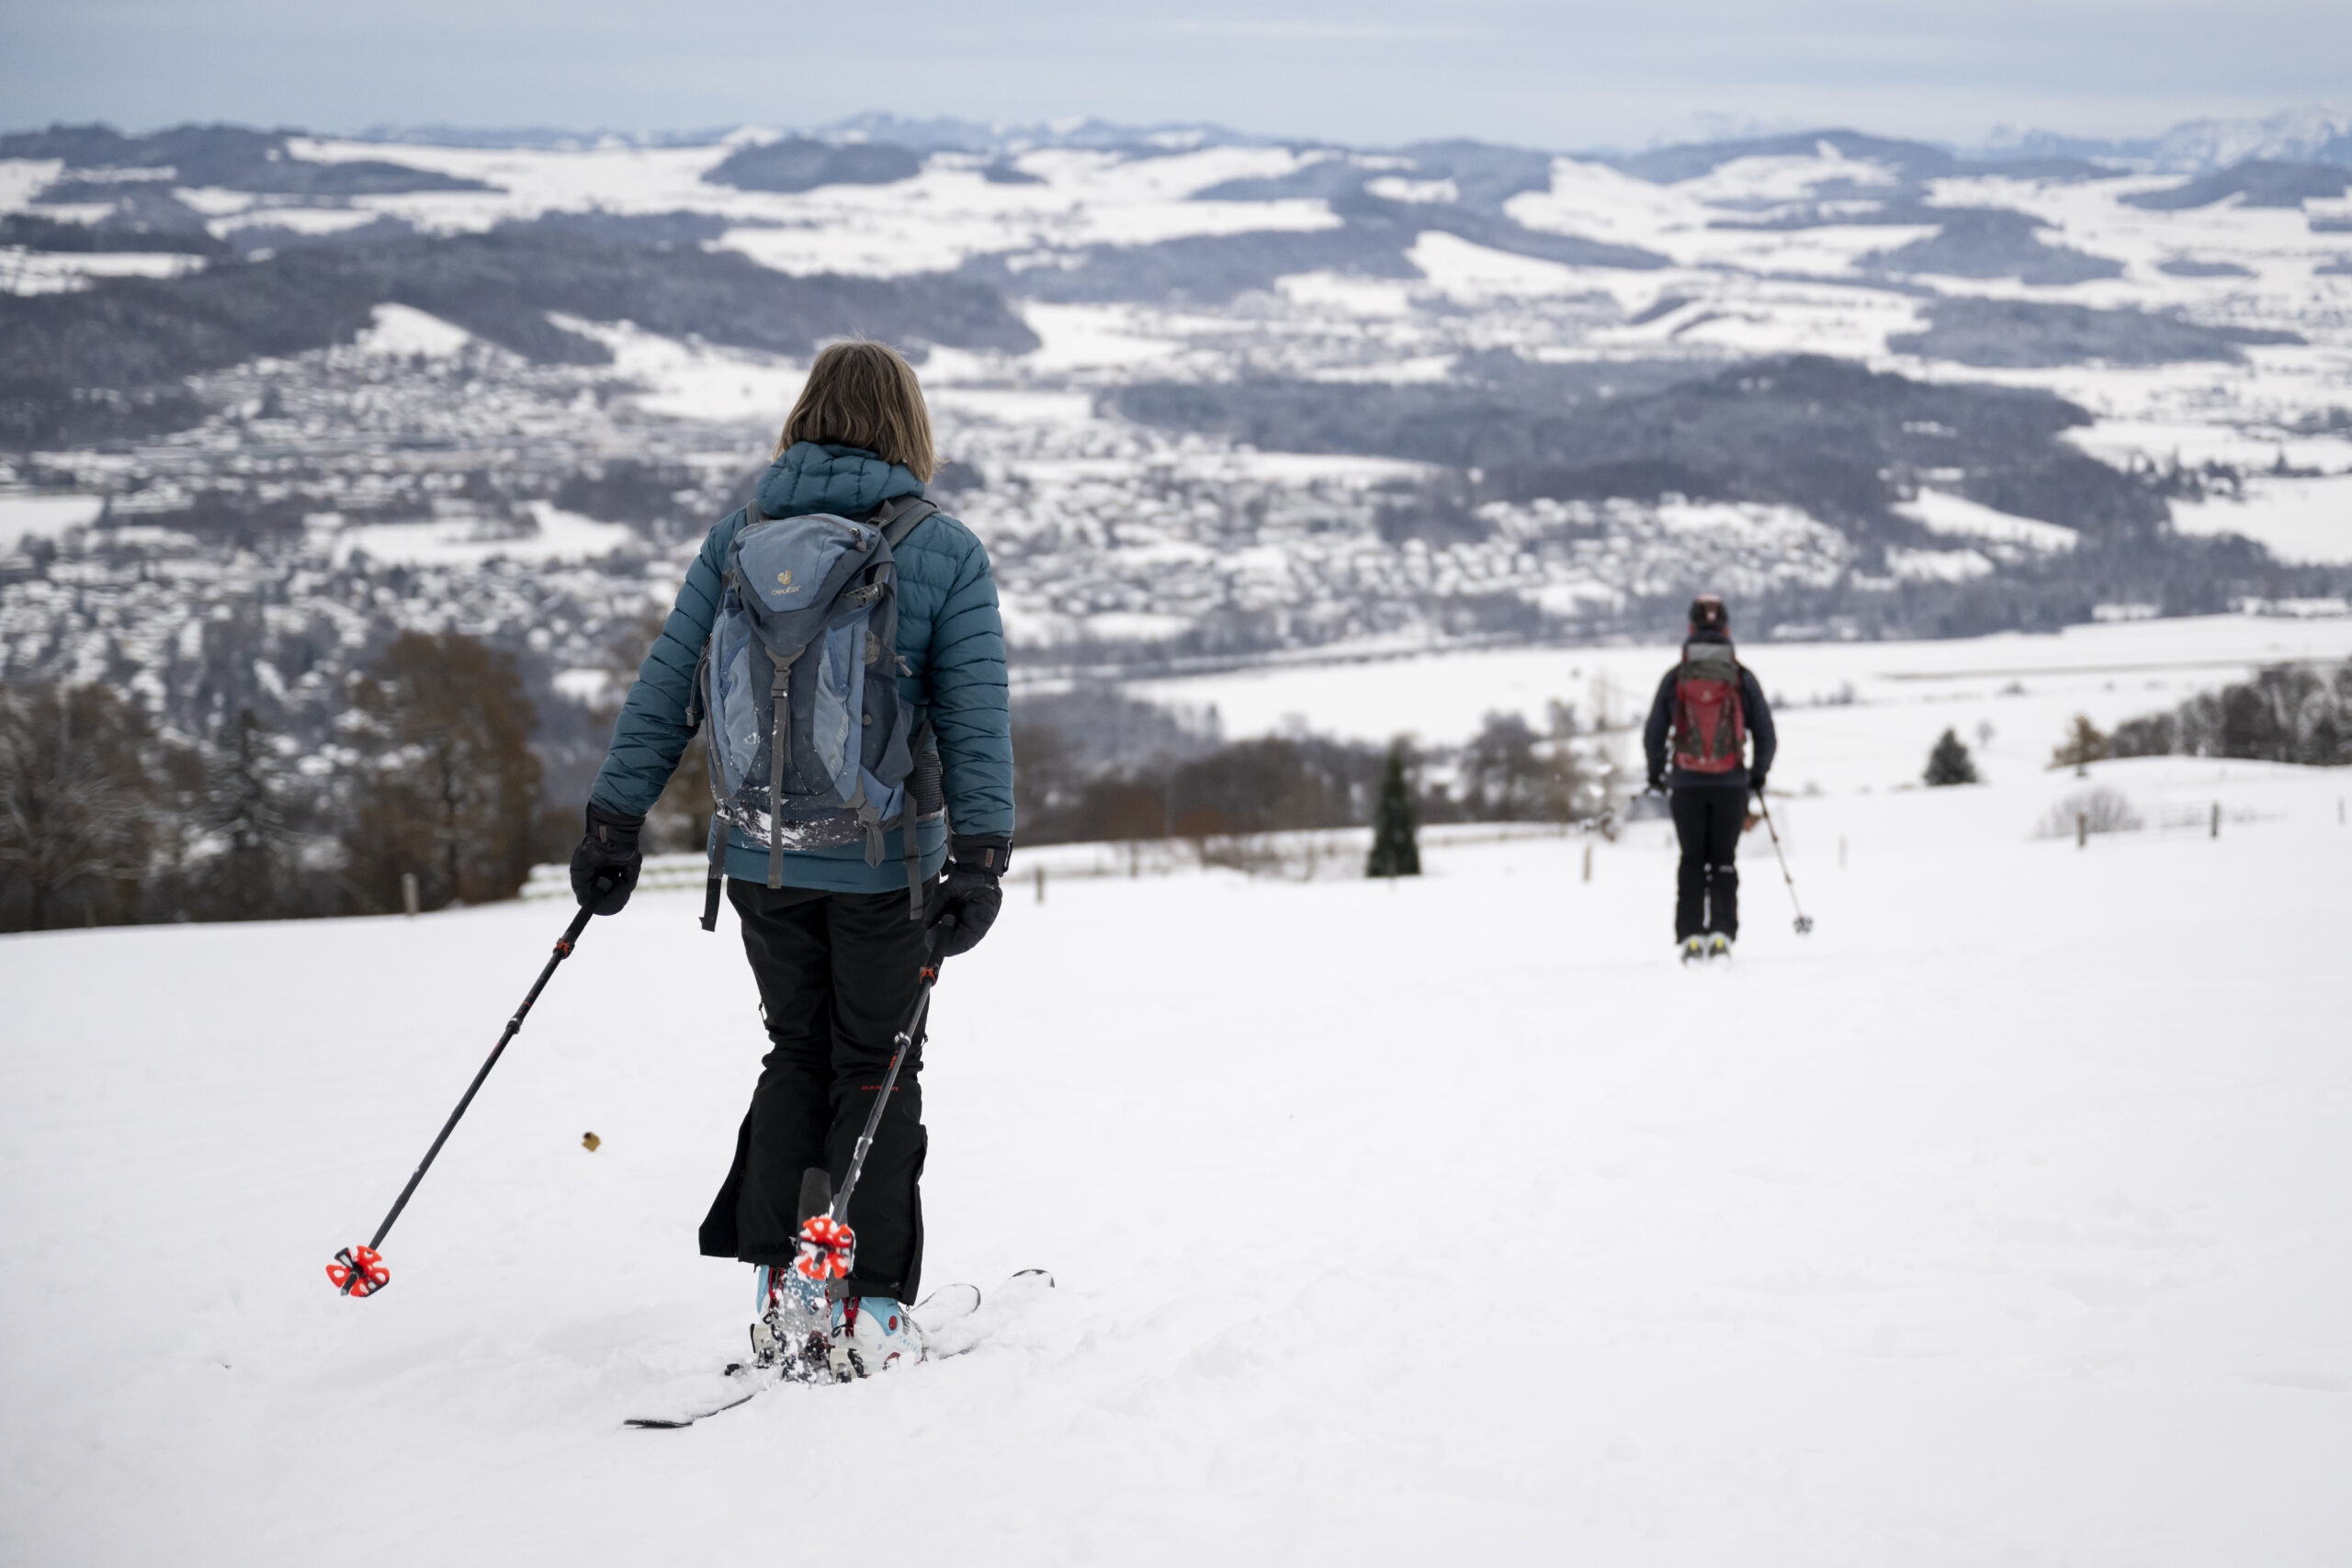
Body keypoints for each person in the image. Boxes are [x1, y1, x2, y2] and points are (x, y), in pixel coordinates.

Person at [568, 340, 1012, 1378]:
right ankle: (869, 1302)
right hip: (889, 866)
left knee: (795, 1054)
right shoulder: (944, 550)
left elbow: (664, 693)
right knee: (880, 1065)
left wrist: (610, 825)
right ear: (909, 427)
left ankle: (779, 1282)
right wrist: (980, 859)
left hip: (763, 862)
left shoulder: (737, 539)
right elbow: (976, 722)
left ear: (803, 416)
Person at [1642, 594, 1774, 960]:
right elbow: (1766, 733)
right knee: (1723, 860)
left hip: (1685, 785)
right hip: (1731, 784)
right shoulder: (1741, 677)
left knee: (1691, 860)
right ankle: (1722, 933)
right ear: (1727, 629)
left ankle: (1689, 936)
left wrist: (1657, 774)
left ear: (1690, 629)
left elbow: (1654, 733)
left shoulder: (1676, 677)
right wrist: (1757, 776)